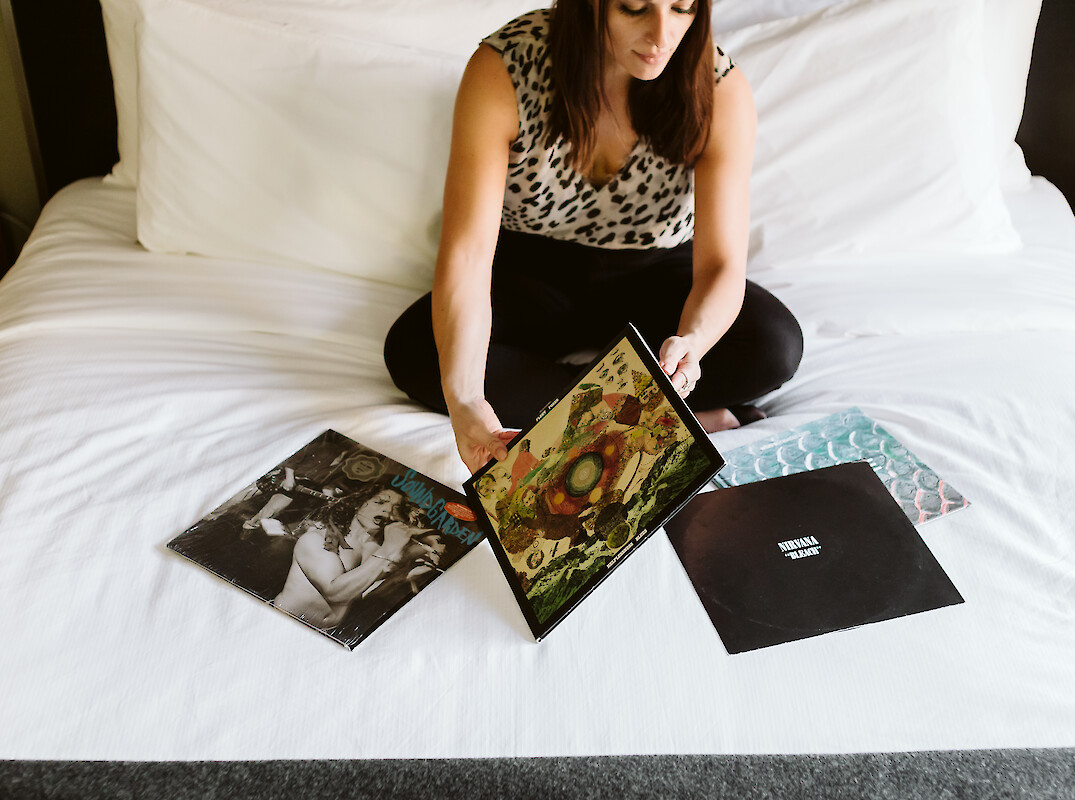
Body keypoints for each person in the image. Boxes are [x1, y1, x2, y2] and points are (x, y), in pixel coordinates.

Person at [384, 0, 804, 473]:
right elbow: (468, 254)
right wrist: (465, 399)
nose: (661, 35)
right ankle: (668, 419)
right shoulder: (505, 67)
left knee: (774, 347)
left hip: (654, 270)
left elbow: (721, 264)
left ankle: (593, 411)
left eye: (682, 8)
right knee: (417, 352)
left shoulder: (719, 87)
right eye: (634, 8)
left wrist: (693, 340)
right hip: (531, 268)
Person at [272, 486, 415, 629]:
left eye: (395, 508)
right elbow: (334, 594)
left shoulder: (378, 550)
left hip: (326, 632)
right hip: (282, 622)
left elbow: (364, 595)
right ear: (359, 503)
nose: (388, 511)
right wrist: (388, 550)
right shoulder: (318, 538)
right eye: (380, 502)